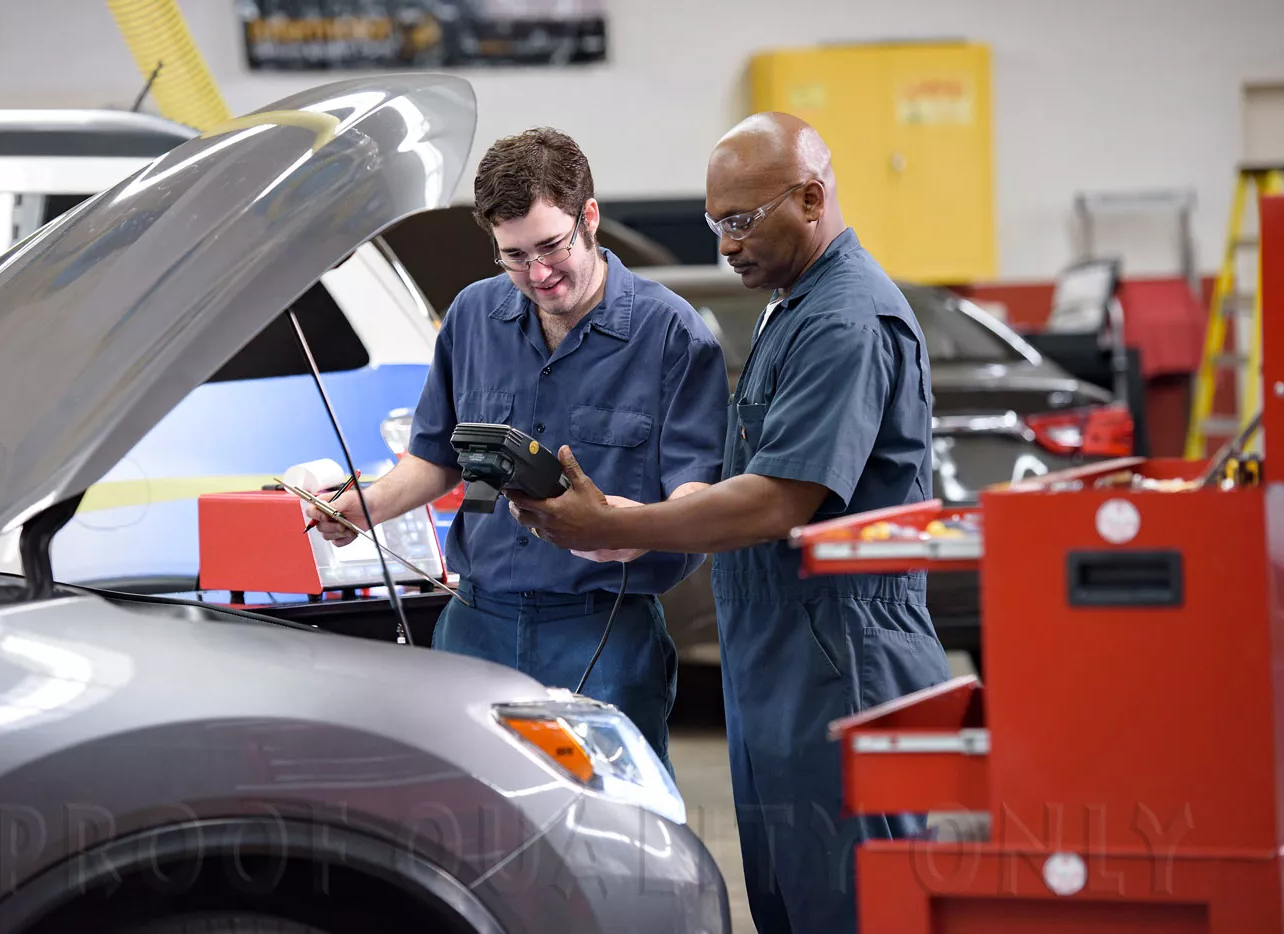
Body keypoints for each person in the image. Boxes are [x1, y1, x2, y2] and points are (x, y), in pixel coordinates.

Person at [506, 112, 952, 934]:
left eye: (742, 222)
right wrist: (636, 517)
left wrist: (618, 519)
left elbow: (779, 498)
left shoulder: (843, 320)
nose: (726, 246)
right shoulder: (794, 304)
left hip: (841, 657)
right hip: (784, 655)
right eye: (716, 224)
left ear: (813, 198)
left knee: (851, 903)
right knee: (789, 897)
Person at [306, 127, 729, 775]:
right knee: (470, 813)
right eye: (512, 255)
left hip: (602, 630)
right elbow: (434, 457)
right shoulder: (473, 317)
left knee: (612, 827)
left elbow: (697, 499)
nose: (537, 274)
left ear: (589, 217)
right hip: (476, 619)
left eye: (552, 246)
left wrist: (623, 530)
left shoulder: (671, 335)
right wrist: (365, 508)